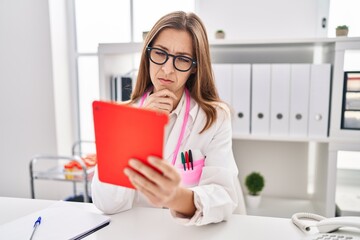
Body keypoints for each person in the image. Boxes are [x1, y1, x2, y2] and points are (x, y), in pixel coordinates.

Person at [91, 11, 246, 226]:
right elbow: (105, 203)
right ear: (148, 55)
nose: (166, 69)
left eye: (181, 59)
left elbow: (224, 197)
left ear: (194, 68)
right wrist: (136, 127)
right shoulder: (120, 116)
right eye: (160, 53)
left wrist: (175, 197)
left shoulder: (214, 117)